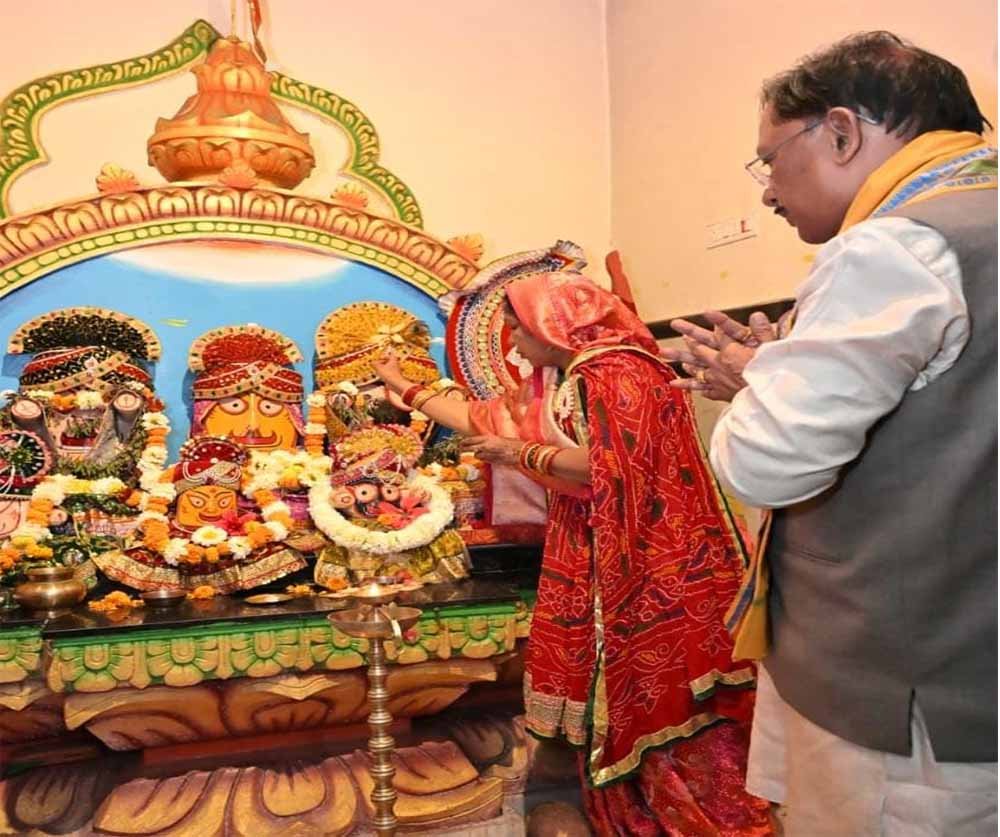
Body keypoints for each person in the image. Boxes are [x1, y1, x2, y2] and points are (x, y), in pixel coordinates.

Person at [664, 31, 997, 836]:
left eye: (770, 161)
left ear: (842, 132)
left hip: (902, 689)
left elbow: (766, 463)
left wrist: (755, 383)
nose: (768, 196)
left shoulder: (898, 245)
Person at [374, 271, 774, 835]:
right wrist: (405, 387)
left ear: (553, 323)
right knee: (606, 689)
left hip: (647, 553)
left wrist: (518, 454)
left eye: (517, 329)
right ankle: (622, 807)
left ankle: (693, 815)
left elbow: (616, 467)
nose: (513, 344)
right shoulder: (565, 377)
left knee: (658, 690)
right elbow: (483, 419)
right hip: (595, 538)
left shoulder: (617, 372)